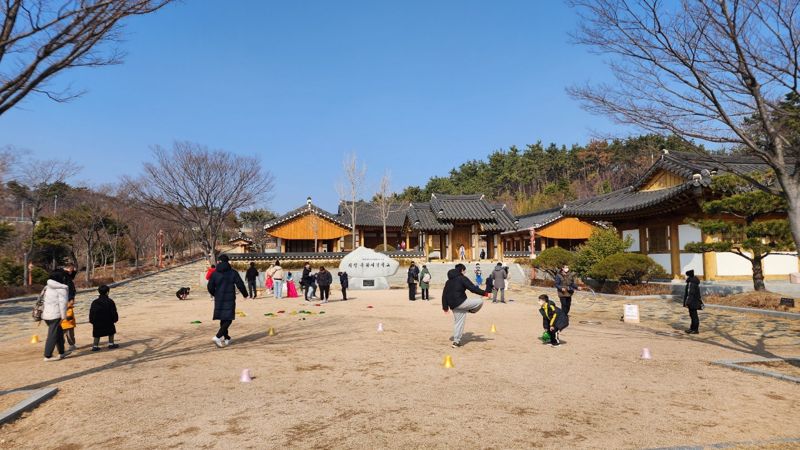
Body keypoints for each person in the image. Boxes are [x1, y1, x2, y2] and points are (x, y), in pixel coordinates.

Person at [442, 263, 488, 348]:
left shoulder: (448, 281)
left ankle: (456, 342)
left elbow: (444, 294)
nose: (465, 272)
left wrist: (445, 308)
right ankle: (471, 310)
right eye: (464, 271)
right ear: (462, 270)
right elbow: (472, 288)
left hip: (453, 305)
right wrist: (485, 293)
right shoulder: (462, 278)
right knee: (480, 301)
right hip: (461, 302)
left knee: (458, 323)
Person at [207, 254, 248, 348]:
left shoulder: (215, 273)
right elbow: (240, 284)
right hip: (229, 298)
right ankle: (217, 336)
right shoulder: (233, 272)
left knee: (223, 318)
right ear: (227, 261)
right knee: (229, 318)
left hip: (219, 298)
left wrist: (215, 294)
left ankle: (227, 337)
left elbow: (209, 286)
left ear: (219, 262)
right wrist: (245, 294)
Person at [42, 271, 70, 361]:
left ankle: (62, 352)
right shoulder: (62, 288)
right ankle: (47, 355)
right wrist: (63, 317)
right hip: (55, 315)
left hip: (46, 314)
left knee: (58, 333)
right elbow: (63, 304)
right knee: (53, 335)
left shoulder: (47, 287)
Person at [89, 285, 119, 351]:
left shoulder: (95, 302)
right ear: (107, 292)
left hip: (97, 323)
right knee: (111, 331)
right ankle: (111, 344)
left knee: (97, 334)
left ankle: (95, 346)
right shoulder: (110, 301)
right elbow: (114, 311)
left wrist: (92, 321)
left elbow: (92, 312)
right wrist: (115, 319)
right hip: (108, 321)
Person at [683, 269, 703, 334]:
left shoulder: (691, 284)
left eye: (686, 275)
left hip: (692, 302)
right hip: (694, 301)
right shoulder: (693, 282)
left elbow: (690, 294)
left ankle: (695, 329)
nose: (685, 277)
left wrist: (687, 303)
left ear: (689, 276)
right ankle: (692, 328)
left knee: (694, 316)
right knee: (693, 315)